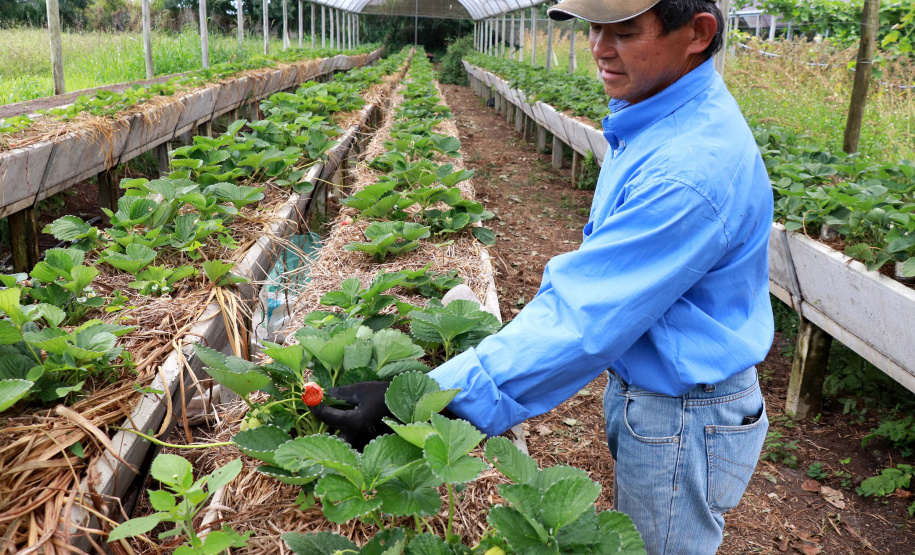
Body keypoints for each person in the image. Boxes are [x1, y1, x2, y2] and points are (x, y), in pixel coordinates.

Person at [313, 0, 774, 553]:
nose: (600, 47)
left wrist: (426, 399)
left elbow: (583, 319)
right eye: (595, 28)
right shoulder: (658, 116)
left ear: (697, 33)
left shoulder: (689, 168)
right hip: (656, 392)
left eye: (624, 31)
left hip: (685, 414)